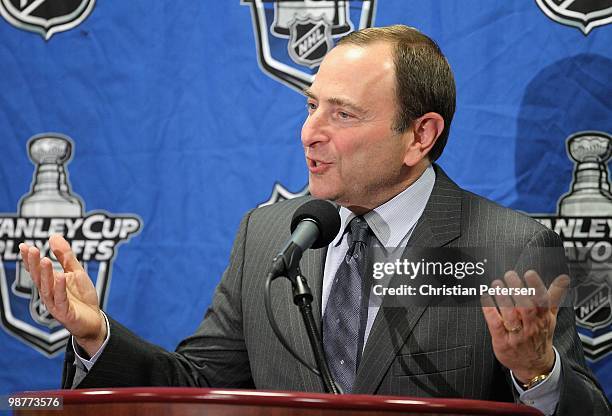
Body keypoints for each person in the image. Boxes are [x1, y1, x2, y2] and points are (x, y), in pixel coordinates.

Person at [19, 25, 609, 415]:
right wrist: (96, 334)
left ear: (420, 136)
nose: (310, 133)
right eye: (310, 106)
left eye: (343, 114)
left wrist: (537, 373)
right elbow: (196, 383)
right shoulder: (269, 236)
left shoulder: (509, 245)